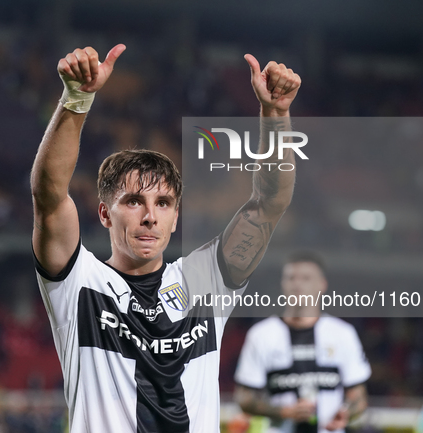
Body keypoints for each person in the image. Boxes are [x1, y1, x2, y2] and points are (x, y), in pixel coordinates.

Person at [30, 44, 301, 433]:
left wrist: (276, 115)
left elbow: (269, 202)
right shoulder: (79, 285)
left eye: (163, 203)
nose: (150, 216)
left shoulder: (206, 281)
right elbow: (49, 194)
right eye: (134, 201)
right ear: (105, 213)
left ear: (175, 219)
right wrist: (76, 98)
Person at [234, 252, 371, 433]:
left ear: (322, 285)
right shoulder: (261, 335)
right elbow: (244, 398)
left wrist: (346, 413)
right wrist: (284, 412)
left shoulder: (343, 334)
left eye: (306, 278)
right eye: (291, 278)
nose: (297, 284)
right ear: (283, 283)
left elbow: (359, 398)